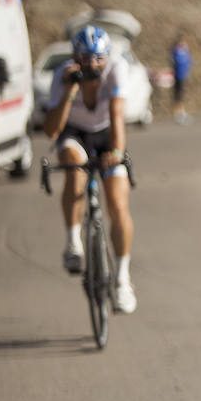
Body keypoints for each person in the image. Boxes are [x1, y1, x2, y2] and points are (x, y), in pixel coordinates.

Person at [43, 24, 137, 314]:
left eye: (98, 58)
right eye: (85, 58)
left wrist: (117, 153)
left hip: (107, 133)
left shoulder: (116, 70)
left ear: (107, 58)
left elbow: (117, 115)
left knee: (118, 206)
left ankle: (122, 280)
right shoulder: (63, 76)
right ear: (76, 58)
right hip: (74, 133)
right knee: (74, 170)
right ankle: (73, 244)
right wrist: (71, 89)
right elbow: (51, 130)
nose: (93, 65)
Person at [170, 32, 192, 124]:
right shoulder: (177, 50)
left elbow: (190, 60)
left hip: (184, 74)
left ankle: (181, 112)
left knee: (181, 94)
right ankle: (178, 113)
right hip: (178, 75)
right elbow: (179, 61)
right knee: (178, 95)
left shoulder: (184, 50)